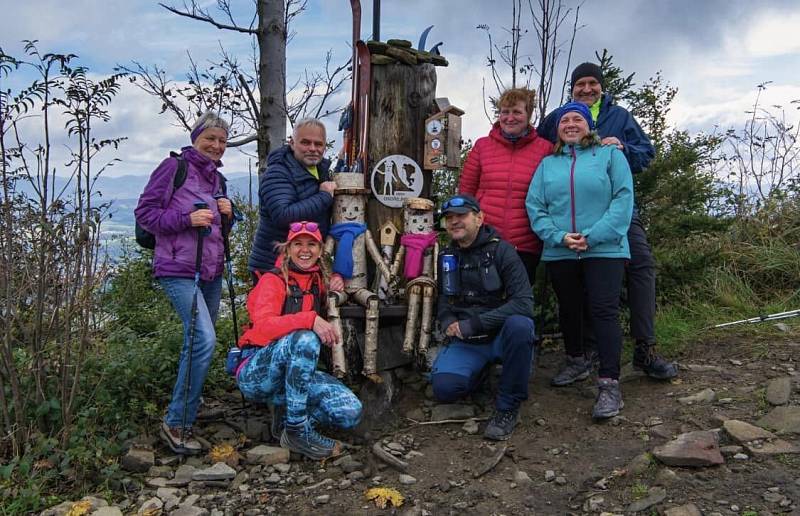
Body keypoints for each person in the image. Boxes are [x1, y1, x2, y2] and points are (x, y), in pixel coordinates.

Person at [537, 62, 677, 380]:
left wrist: (623, 147)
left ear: (601, 86)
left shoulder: (620, 117)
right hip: (569, 214)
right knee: (573, 279)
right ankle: (584, 352)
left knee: (640, 264)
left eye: (592, 83)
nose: (586, 89)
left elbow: (646, 154)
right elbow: (540, 152)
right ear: (571, 89)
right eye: (579, 84)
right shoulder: (557, 117)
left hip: (618, 211)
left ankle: (645, 347)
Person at [526, 102, 633, 419]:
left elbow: (623, 198)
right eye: (564, 121)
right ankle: (576, 360)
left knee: (603, 310)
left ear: (589, 125)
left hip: (605, 248)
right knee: (569, 308)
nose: (570, 124)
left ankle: (610, 384)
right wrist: (559, 237)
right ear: (557, 129)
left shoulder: (611, 156)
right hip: (561, 249)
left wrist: (593, 235)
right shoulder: (547, 165)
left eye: (578, 119)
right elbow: (536, 207)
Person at [135, 111, 233, 455]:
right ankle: (176, 421)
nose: (216, 145)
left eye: (222, 140)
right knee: (204, 339)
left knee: (197, 341)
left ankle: (193, 404)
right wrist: (186, 218)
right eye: (210, 138)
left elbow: (216, 231)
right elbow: (145, 214)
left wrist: (226, 215)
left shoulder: (217, 180)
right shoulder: (172, 168)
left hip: (209, 271)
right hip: (176, 269)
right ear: (195, 138)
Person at [234, 222, 359, 460]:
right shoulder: (273, 280)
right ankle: (298, 430)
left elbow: (332, 286)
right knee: (306, 339)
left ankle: (284, 422)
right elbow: (262, 326)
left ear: (320, 250)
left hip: (295, 378)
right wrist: (309, 319)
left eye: (311, 244)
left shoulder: (317, 281)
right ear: (287, 249)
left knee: (350, 411)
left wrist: (338, 277)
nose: (305, 250)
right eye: (298, 244)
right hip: (256, 373)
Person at [431, 194, 536, 440]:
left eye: (461, 216)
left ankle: (508, 406)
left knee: (521, 326)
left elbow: (524, 303)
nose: (454, 222)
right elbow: (444, 301)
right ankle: (480, 373)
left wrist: (476, 323)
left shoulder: (503, 251)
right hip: (468, 341)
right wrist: (447, 323)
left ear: (479, 218)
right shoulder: (447, 256)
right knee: (445, 389)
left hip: (499, 334)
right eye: (449, 218)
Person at [458, 88, 553, 284]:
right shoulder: (482, 146)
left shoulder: (545, 149)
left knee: (517, 304)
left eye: (517, 112)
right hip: (483, 241)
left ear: (529, 115)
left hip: (526, 245)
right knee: (482, 303)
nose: (510, 118)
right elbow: (466, 195)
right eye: (505, 112)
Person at [248, 118, 337, 282]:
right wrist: (324, 197)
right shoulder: (278, 172)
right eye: (305, 142)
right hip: (272, 269)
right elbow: (283, 215)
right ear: (292, 143)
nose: (312, 149)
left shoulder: (319, 171)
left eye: (318, 144)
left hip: (301, 267)